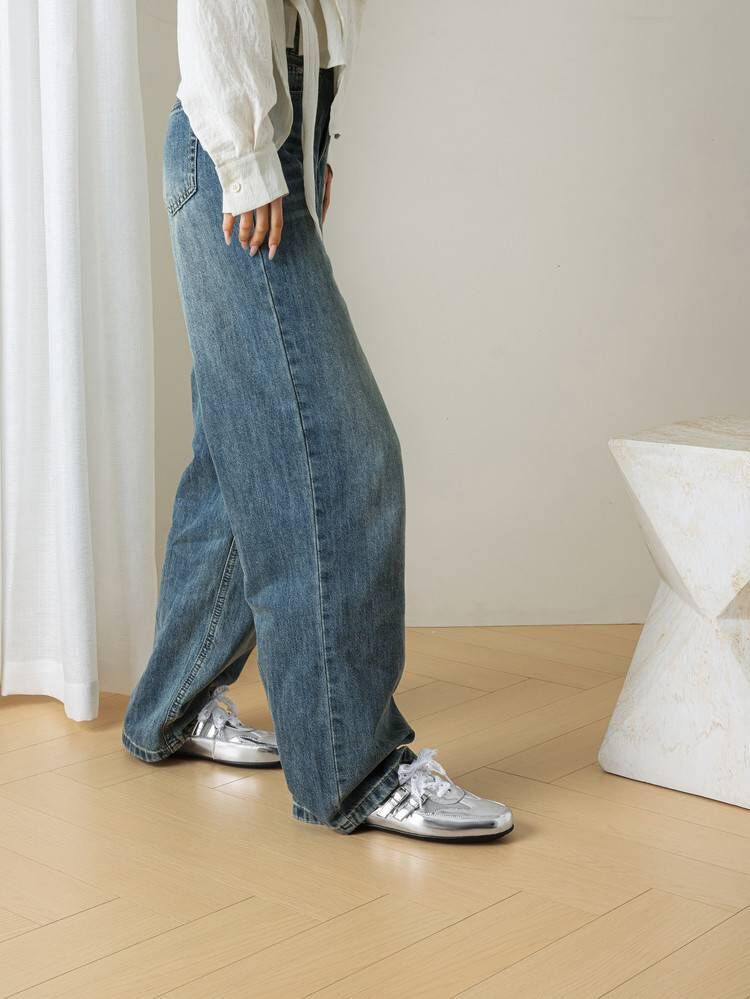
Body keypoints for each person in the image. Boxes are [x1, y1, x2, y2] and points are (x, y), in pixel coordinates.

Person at [121, 0, 514, 842]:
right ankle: (354, 770)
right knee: (341, 458)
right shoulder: (240, 144)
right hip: (236, 143)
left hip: (270, 135)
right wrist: (249, 160)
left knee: (240, 452)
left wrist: (307, 152)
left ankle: (172, 705)